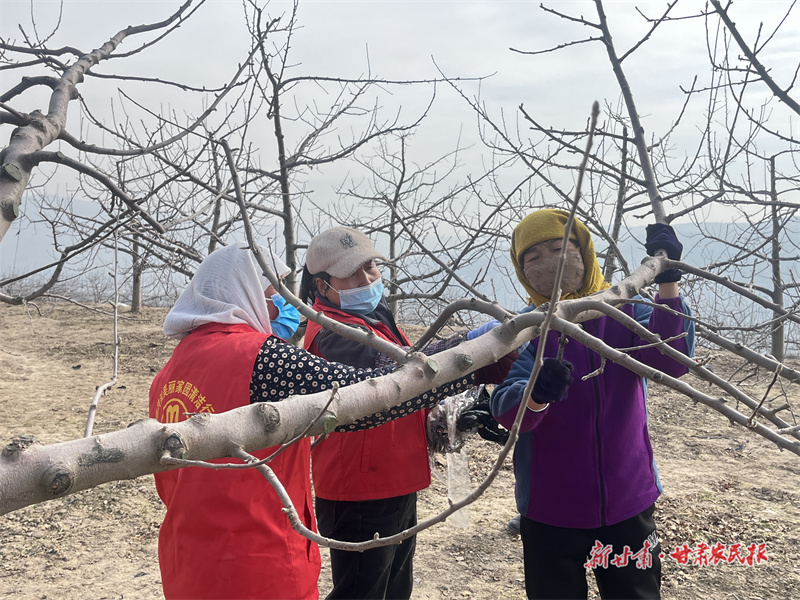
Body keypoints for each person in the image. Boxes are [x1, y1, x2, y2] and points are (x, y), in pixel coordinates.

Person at [148, 242, 512, 600]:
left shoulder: (169, 373)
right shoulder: (261, 357)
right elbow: (365, 399)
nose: (282, 304)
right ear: (245, 291)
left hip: (190, 555)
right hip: (256, 556)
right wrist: (471, 363)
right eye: (274, 292)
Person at [490, 210, 695, 600]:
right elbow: (505, 408)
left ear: (583, 252)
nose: (548, 261)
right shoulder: (526, 330)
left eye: (559, 248)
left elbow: (673, 358)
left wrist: (666, 277)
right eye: (532, 257)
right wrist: (536, 392)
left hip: (627, 499)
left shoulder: (626, 313)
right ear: (521, 271)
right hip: (551, 506)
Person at [300, 226, 511, 600]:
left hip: (392, 473)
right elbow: (404, 378)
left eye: (371, 267)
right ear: (322, 286)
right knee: (361, 592)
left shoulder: (373, 316)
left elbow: (415, 363)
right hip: (361, 486)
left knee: (394, 586)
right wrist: (472, 348)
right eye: (353, 272)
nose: (367, 278)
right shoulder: (336, 334)